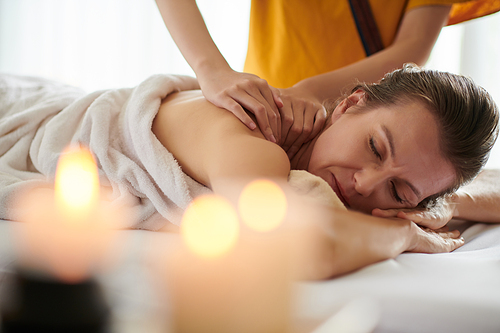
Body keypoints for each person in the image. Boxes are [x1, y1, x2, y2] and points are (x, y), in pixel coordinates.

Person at [151, 64, 499, 279]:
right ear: (350, 104)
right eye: (375, 148)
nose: (364, 183)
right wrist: (406, 235)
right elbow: (301, 247)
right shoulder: (253, 139)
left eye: (398, 192)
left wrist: (447, 206)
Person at [154, 0, 500, 154]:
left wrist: (312, 91)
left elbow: (412, 47)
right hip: (269, 111)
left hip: (367, 124)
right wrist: (212, 70)